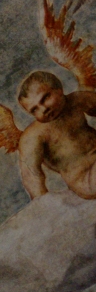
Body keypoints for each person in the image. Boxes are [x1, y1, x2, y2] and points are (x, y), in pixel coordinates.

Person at [17, 71, 96, 200]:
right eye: (34, 109)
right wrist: (45, 204)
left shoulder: (77, 100)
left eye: (45, 98)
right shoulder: (34, 135)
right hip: (85, 180)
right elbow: (31, 175)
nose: (43, 109)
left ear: (59, 89)